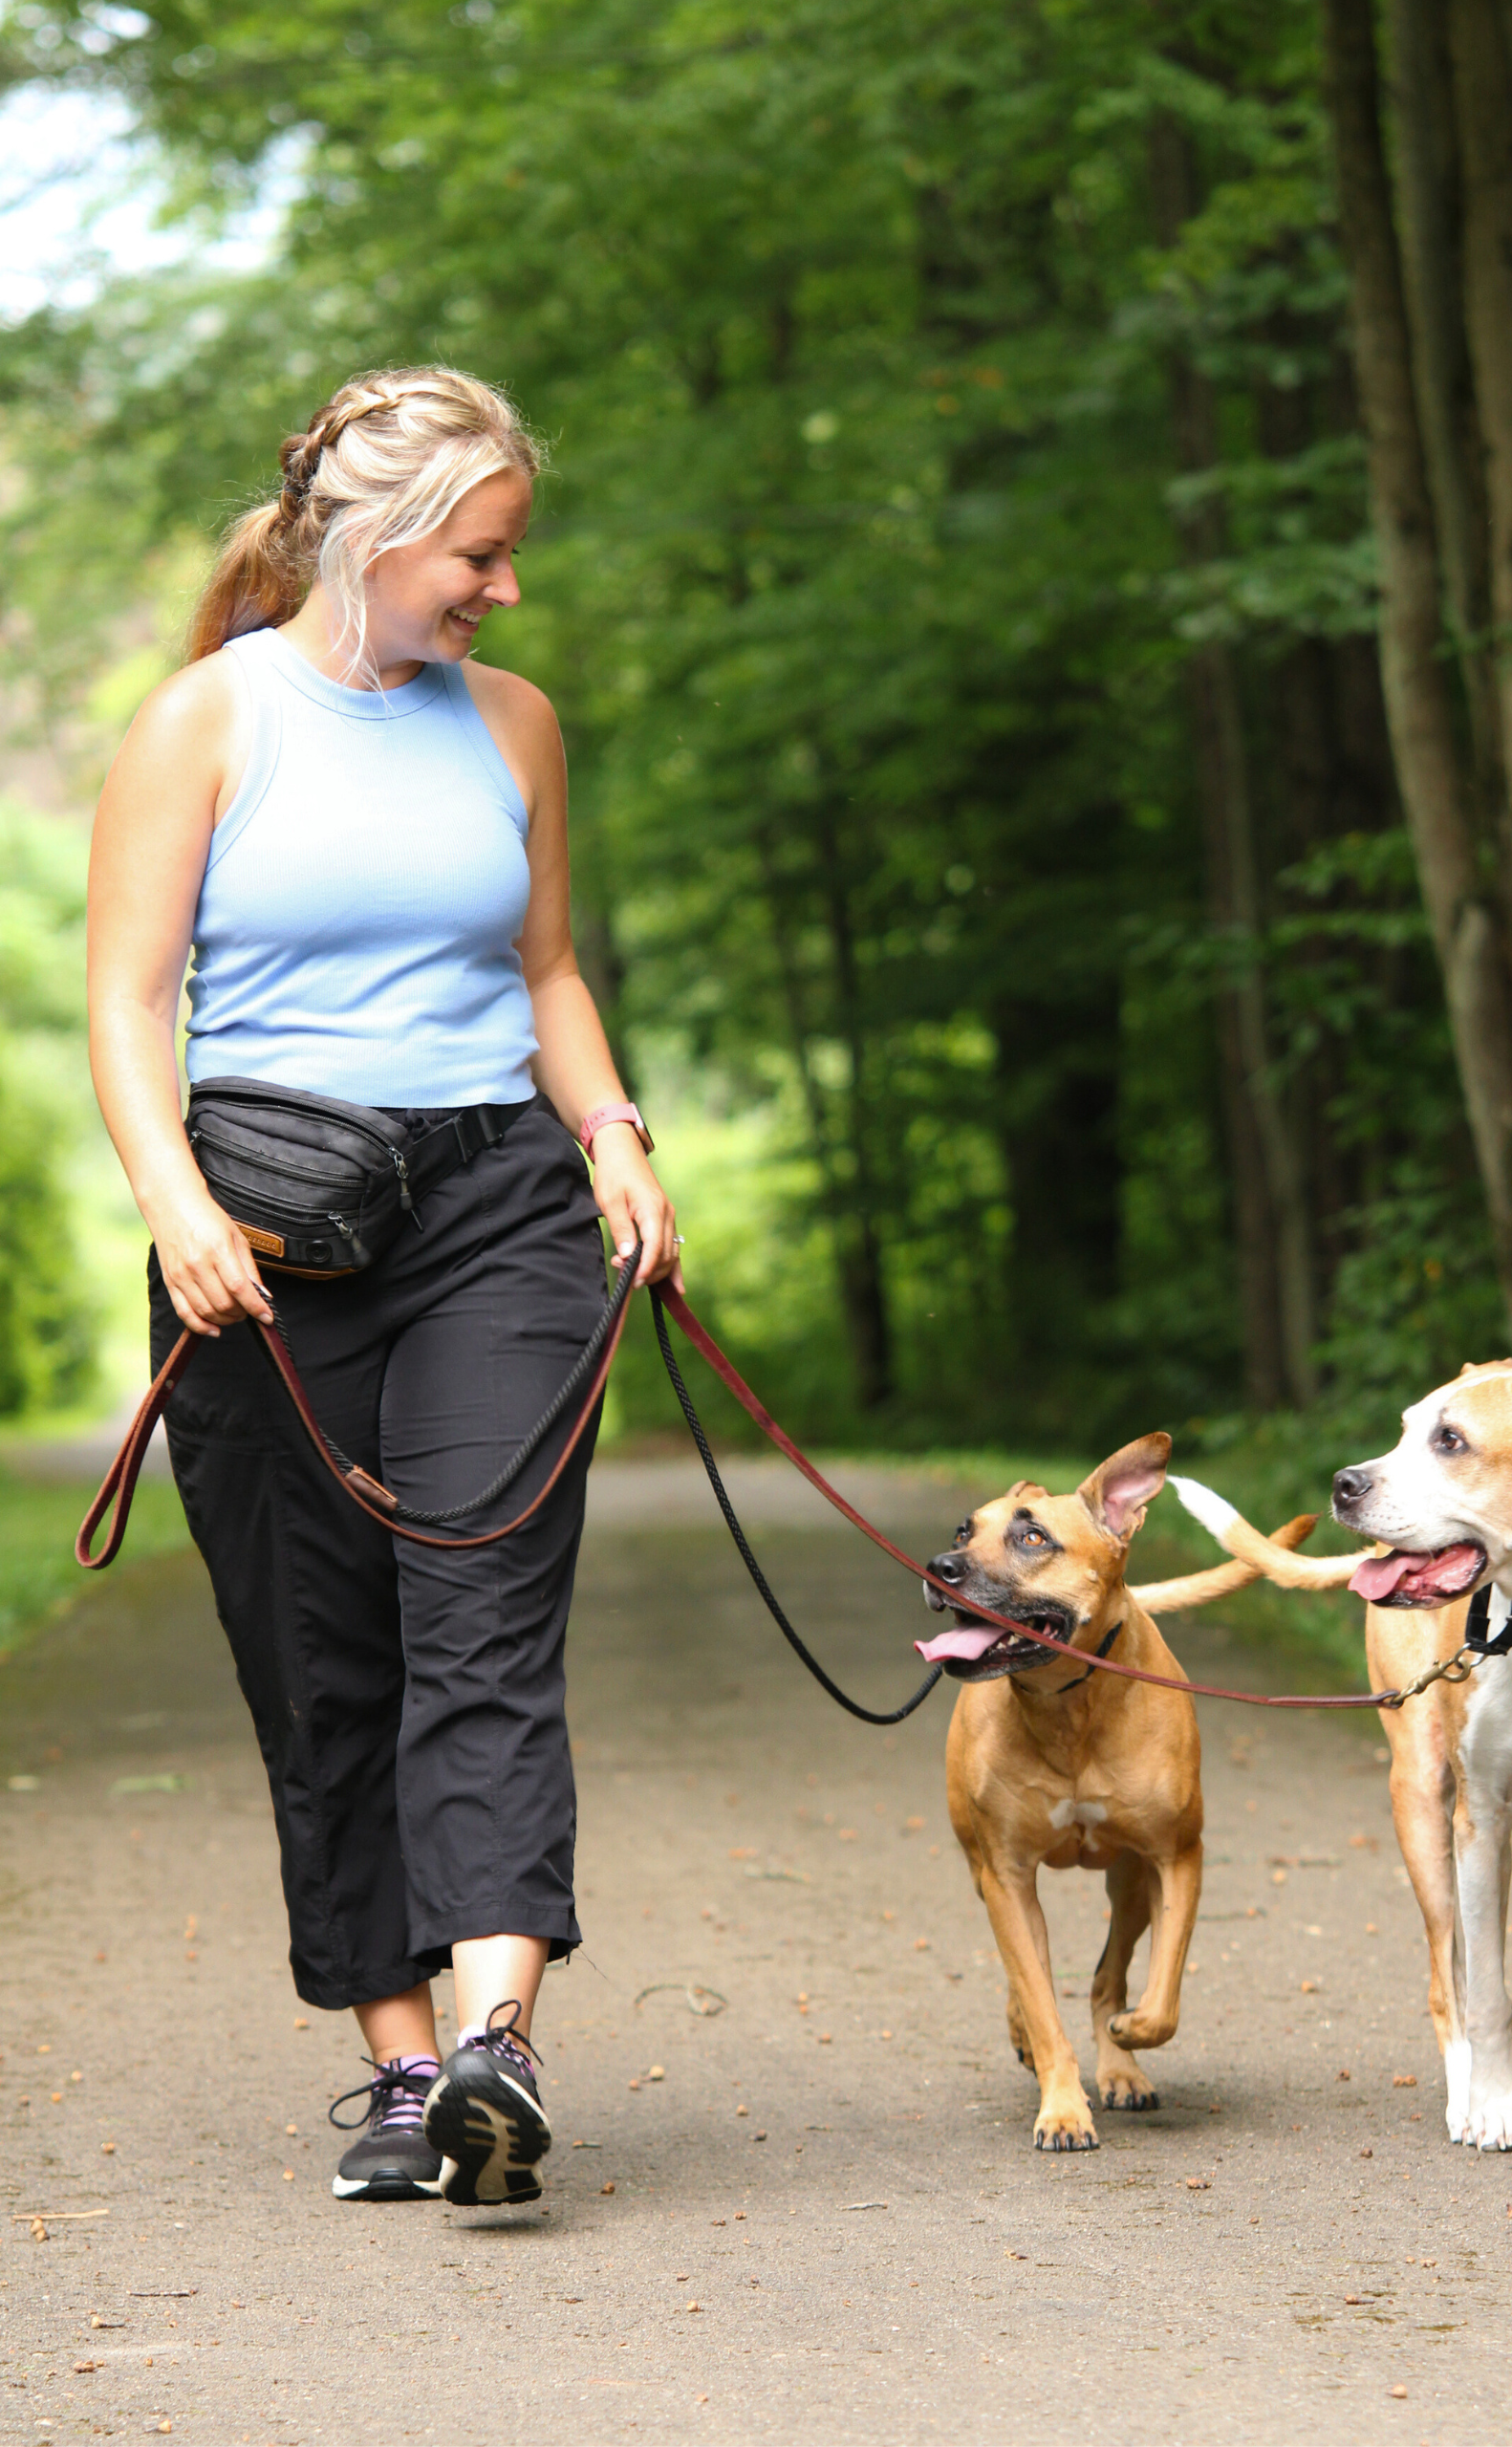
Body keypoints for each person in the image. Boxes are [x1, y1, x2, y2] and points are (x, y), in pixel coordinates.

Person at [87, 367, 679, 2207]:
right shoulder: (206, 721)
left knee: (482, 1610)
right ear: (378, 538)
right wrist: (175, 1208)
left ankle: (501, 2043)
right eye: (481, 557)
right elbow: (124, 1002)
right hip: (265, 1230)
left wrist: (612, 1132)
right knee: (321, 1654)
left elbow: (549, 968)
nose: (504, 590)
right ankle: (407, 2071)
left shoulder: (514, 725)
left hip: (497, 1199)